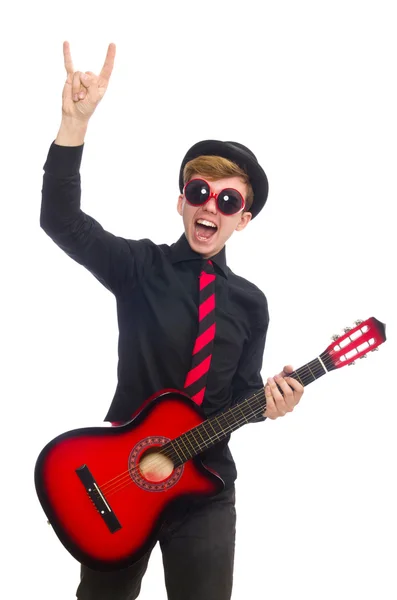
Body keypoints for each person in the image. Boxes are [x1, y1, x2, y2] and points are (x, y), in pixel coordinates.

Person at [40, 41, 304, 600]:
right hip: (118, 477)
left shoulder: (251, 304)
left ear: (243, 220)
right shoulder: (139, 266)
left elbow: (239, 398)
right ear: (181, 200)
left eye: (228, 201)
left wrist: (271, 403)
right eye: (200, 192)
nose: (211, 207)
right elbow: (60, 220)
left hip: (204, 488)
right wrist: (74, 126)